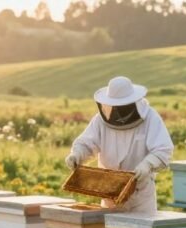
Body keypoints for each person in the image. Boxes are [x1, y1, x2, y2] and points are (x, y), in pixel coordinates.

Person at [65, 76, 174, 214]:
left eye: (121, 107)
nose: (116, 112)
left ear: (132, 103)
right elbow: (87, 143)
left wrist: (148, 164)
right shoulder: (100, 120)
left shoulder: (150, 118)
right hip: (109, 193)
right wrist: (77, 154)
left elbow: (163, 149)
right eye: (113, 107)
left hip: (140, 196)